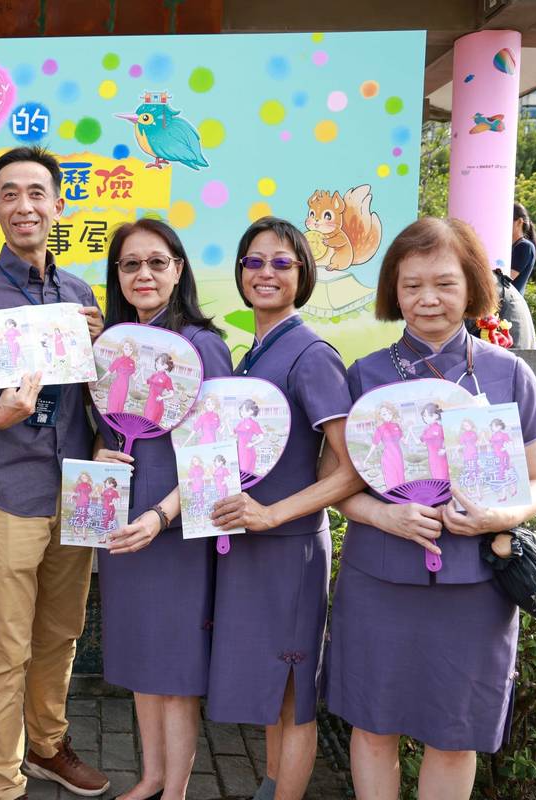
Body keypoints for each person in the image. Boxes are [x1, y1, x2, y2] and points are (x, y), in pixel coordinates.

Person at [325, 217, 536, 800]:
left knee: (454, 735)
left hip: (475, 589)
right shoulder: (364, 376)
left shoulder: (509, 374)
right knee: (373, 725)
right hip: (378, 579)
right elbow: (331, 484)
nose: (427, 299)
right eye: (411, 285)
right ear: (393, 291)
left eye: (445, 283)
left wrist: (500, 517)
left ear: (472, 286)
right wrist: (382, 515)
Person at [0, 147, 107, 800]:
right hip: (9, 488)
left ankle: (47, 745)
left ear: (59, 205)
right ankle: (5, 783)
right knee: (7, 649)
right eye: (9, 194)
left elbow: (100, 390)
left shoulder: (81, 294)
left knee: (63, 634)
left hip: (77, 490)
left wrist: (103, 340)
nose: (24, 206)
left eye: (37, 193)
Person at [207, 218, 362, 800]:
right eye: (254, 261)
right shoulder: (254, 352)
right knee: (272, 684)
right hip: (251, 545)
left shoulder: (311, 354)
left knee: (294, 690)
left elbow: (349, 468)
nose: (265, 273)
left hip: (287, 549)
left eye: (281, 263)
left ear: (304, 274)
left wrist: (273, 515)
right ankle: (270, 785)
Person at [90, 219, 232, 800]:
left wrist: (161, 515)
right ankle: (150, 776)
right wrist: (101, 452)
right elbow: (104, 429)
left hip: (175, 525)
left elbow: (218, 453)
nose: (143, 274)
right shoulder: (114, 346)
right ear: (117, 276)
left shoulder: (204, 345)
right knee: (141, 658)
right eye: (130, 265)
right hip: (122, 519)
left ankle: (175, 789)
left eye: (156, 262)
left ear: (178, 268)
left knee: (174, 670)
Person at [510, 203, 536, 294]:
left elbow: (506, 279)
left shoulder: (524, 246)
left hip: (510, 305)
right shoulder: (514, 246)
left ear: (519, 222)